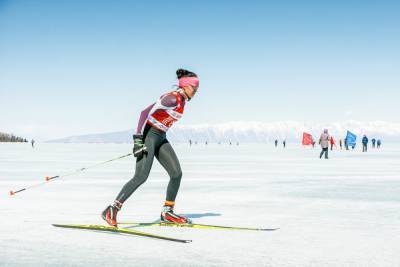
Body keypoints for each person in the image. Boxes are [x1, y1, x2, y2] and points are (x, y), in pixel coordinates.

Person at [102, 69, 199, 227]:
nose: (196, 92)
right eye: (194, 88)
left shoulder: (182, 100)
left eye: (197, 89)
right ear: (186, 86)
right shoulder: (172, 98)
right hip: (149, 136)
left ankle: (167, 212)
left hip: (161, 137)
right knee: (141, 176)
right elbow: (144, 113)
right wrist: (138, 141)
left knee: (176, 174)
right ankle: (111, 209)